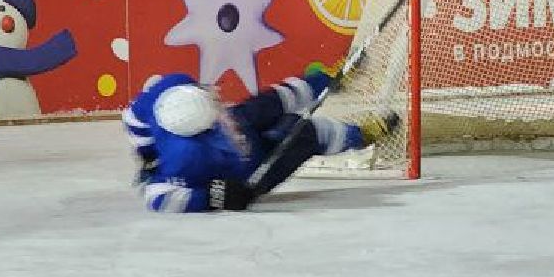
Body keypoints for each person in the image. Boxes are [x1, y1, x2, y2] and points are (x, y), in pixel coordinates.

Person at [123, 70, 396, 212]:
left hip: (240, 124)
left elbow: (131, 118)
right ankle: (360, 135)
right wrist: (215, 197)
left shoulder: (170, 88)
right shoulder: (185, 157)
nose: (216, 96)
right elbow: (158, 198)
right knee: (303, 133)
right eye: (213, 109)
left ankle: (326, 79)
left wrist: (146, 152)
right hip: (252, 169)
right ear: (202, 132)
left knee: (272, 101)